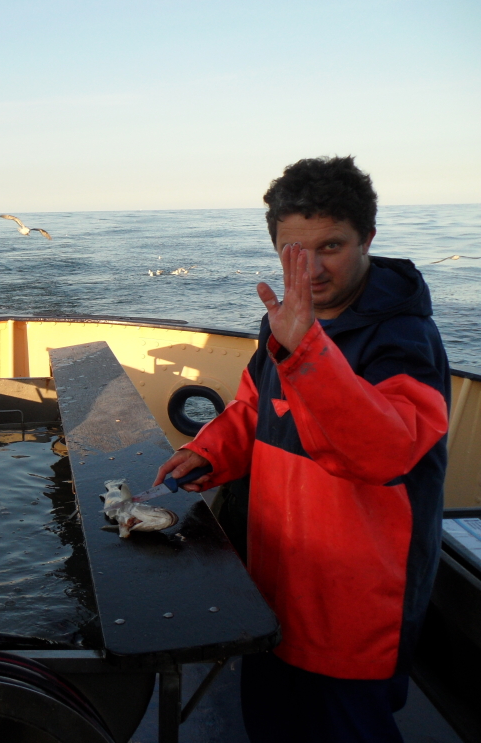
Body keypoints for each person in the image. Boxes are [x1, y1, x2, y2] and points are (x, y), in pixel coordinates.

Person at [154, 157, 450, 742]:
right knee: (271, 724)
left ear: (368, 238)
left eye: (331, 246)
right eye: (294, 250)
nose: (311, 269)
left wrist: (308, 351)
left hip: (354, 608)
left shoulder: (404, 339)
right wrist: (210, 452)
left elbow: (385, 452)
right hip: (274, 583)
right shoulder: (285, 324)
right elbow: (255, 408)